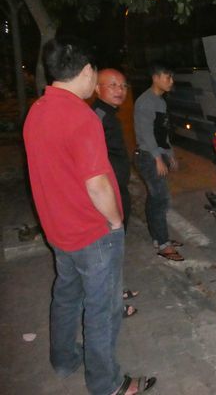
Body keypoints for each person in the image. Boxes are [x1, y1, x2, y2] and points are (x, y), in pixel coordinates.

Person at [23, 37, 155, 395]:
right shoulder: (80, 116)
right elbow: (97, 185)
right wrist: (115, 222)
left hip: (58, 231)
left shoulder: (37, 111)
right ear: (85, 71)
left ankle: (64, 359)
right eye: (94, 72)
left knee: (66, 296)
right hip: (92, 234)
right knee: (102, 310)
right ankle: (107, 384)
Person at [92, 68, 139, 318]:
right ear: (97, 89)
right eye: (112, 85)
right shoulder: (98, 116)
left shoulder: (108, 114)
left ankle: (116, 290)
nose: (120, 90)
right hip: (108, 195)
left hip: (117, 191)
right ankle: (111, 306)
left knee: (115, 250)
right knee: (109, 251)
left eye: (123, 85)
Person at [134, 63, 184, 261]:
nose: (171, 81)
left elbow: (162, 132)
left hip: (155, 154)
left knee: (155, 199)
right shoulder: (145, 102)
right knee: (161, 199)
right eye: (167, 77)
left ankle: (158, 238)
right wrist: (157, 159)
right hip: (147, 156)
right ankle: (163, 244)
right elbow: (146, 134)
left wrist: (169, 154)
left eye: (171, 78)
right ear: (155, 78)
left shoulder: (160, 101)